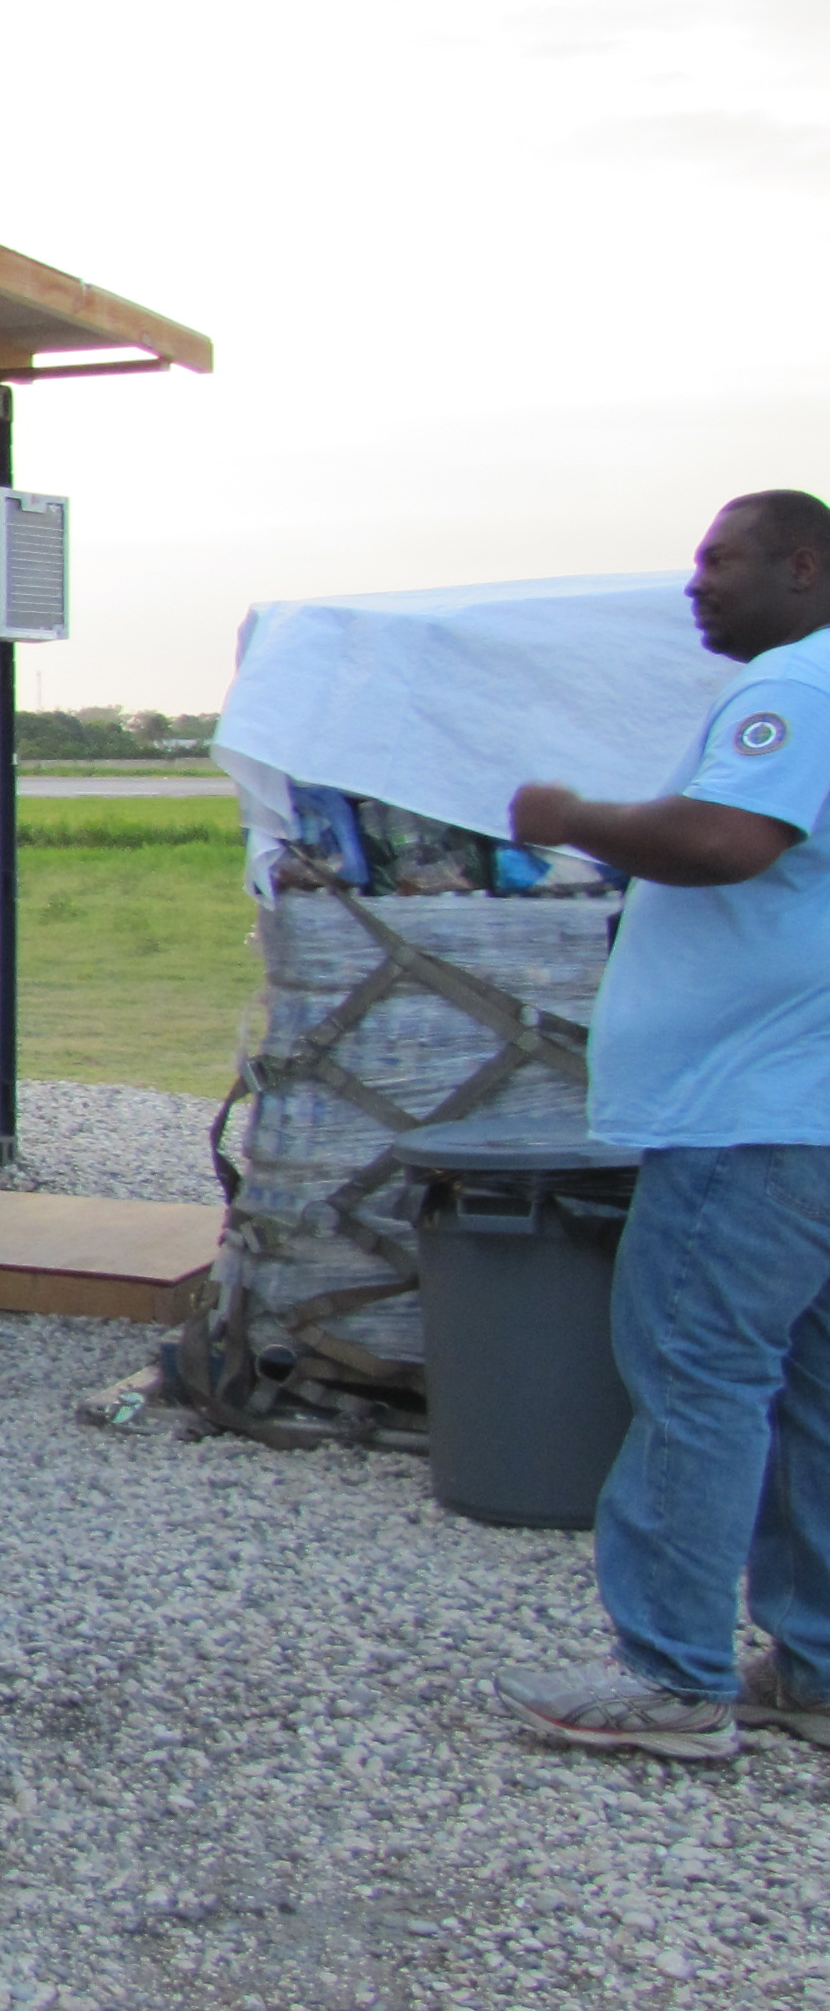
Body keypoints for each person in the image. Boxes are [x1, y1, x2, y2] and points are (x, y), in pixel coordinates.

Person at [492, 488, 830, 1759]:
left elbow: (726, 838)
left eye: (721, 559)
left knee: (700, 1379)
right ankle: (814, 1666)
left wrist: (574, 818)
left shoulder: (796, 692)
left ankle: (676, 1677)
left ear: (805, 565)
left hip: (755, 1117)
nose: (699, 581)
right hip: (812, 1109)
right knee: (810, 1396)